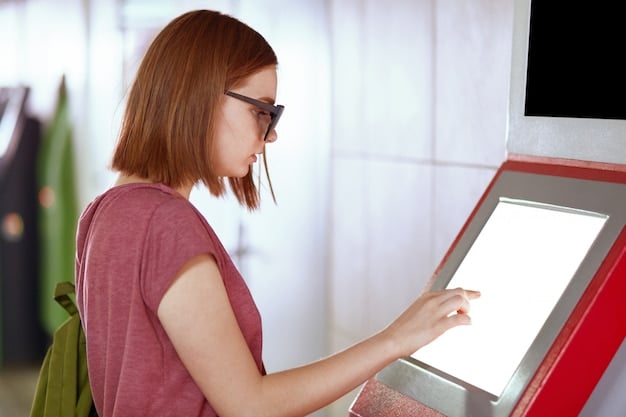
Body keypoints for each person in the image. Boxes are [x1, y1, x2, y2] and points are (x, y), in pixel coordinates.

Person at [75, 9, 480, 417]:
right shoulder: (165, 222)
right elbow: (250, 405)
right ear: (199, 95)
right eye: (261, 110)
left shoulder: (103, 213)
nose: (271, 133)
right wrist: (396, 339)